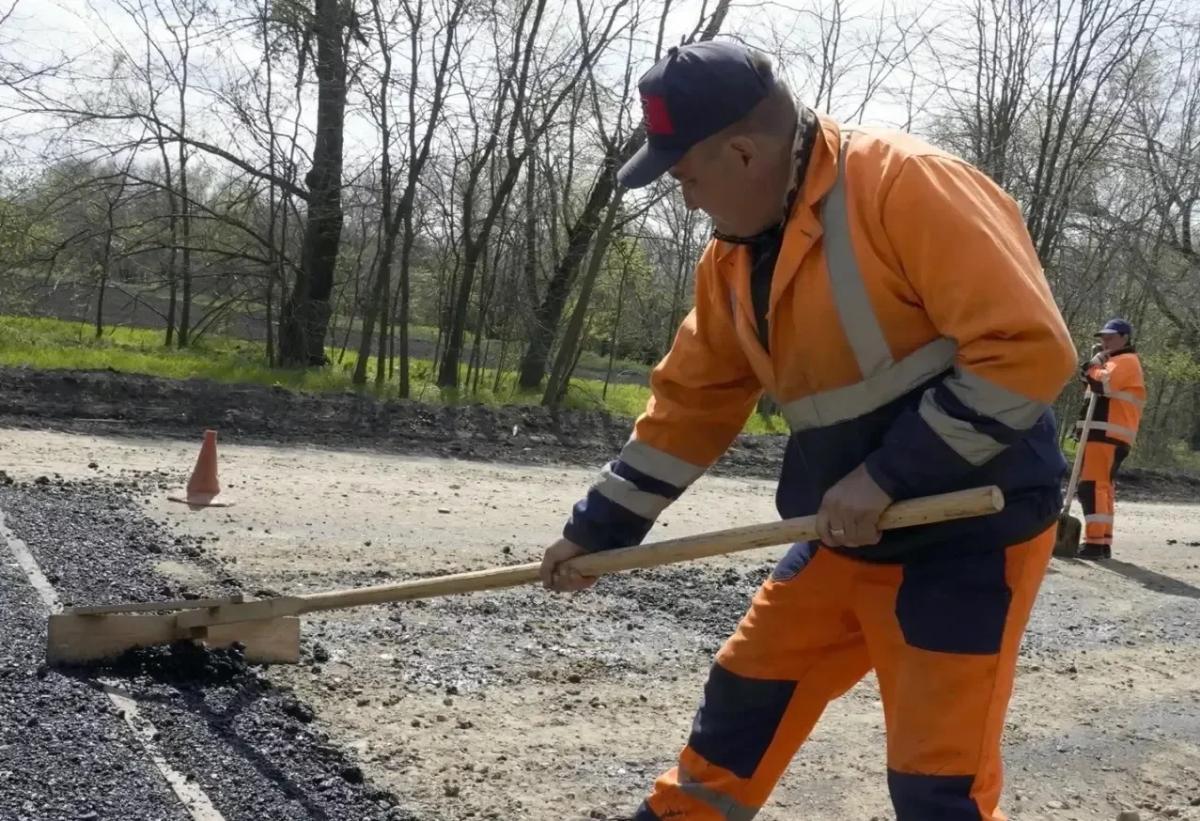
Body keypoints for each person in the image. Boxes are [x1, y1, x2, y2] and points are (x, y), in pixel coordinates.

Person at [539, 41, 1076, 820]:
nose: (687, 200)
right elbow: (691, 404)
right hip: (844, 532)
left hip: (967, 534)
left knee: (937, 783)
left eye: (687, 176)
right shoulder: (730, 262)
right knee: (741, 706)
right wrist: (601, 528)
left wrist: (890, 475)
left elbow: (1028, 349)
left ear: (745, 151)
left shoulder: (904, 183)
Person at [1074, 318, 1146, 559]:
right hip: (1105, 434)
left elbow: (1099, 382)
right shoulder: (1115, 361)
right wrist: (1095, 364)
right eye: (1103, 337)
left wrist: (1094, 363)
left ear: (1125, 338)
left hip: (1106, 435)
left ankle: (1094, 544)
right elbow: (1088, 379)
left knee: (1091, 487)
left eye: (1110, 337)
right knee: (1102, 488)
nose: (1105, 341)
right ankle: (1102, 542)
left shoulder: (1125, 361)